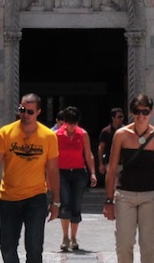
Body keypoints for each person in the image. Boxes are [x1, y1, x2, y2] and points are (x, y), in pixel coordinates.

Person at [0, 93, 61, 263]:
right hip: (8, 198)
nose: (25, 115)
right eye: (22, 110)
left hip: (35, 198)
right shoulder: (5, 133)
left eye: (30, 112)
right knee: (7, 249)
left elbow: (52, 170)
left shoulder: (49, 136)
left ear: (38, 112)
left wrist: (56, 201)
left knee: (34, 249)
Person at [103, 93, 154, 263]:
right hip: (125, 195)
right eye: (137, 111)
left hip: (150, 195)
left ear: (150, 112)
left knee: (149, 246)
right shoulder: (121, 135)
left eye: (145, 111)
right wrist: (109, 200)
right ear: (131, 112)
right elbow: (112, 169)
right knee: (123, 244)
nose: (141, 115)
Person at [54, 106, 97, 252]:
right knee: (65, 203)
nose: (72, 126)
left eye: (75, 123)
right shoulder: (57, 135)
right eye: (69, 123)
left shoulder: (82, 134)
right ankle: (65, 237)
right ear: (65, 122)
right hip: (62, 173)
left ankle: (74, 237)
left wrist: (92, 172)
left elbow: (88, 154)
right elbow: (52, 156)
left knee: (76, 204)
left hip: (79, 172)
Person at [96, 106, 126, 179]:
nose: (121, 119)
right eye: (119, 117)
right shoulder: (106, 131)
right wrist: (101, 164)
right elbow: (101, 148)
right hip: (110, 163)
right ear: (113, 118)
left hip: (124, 163)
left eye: (122, 117)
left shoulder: (126, 131)